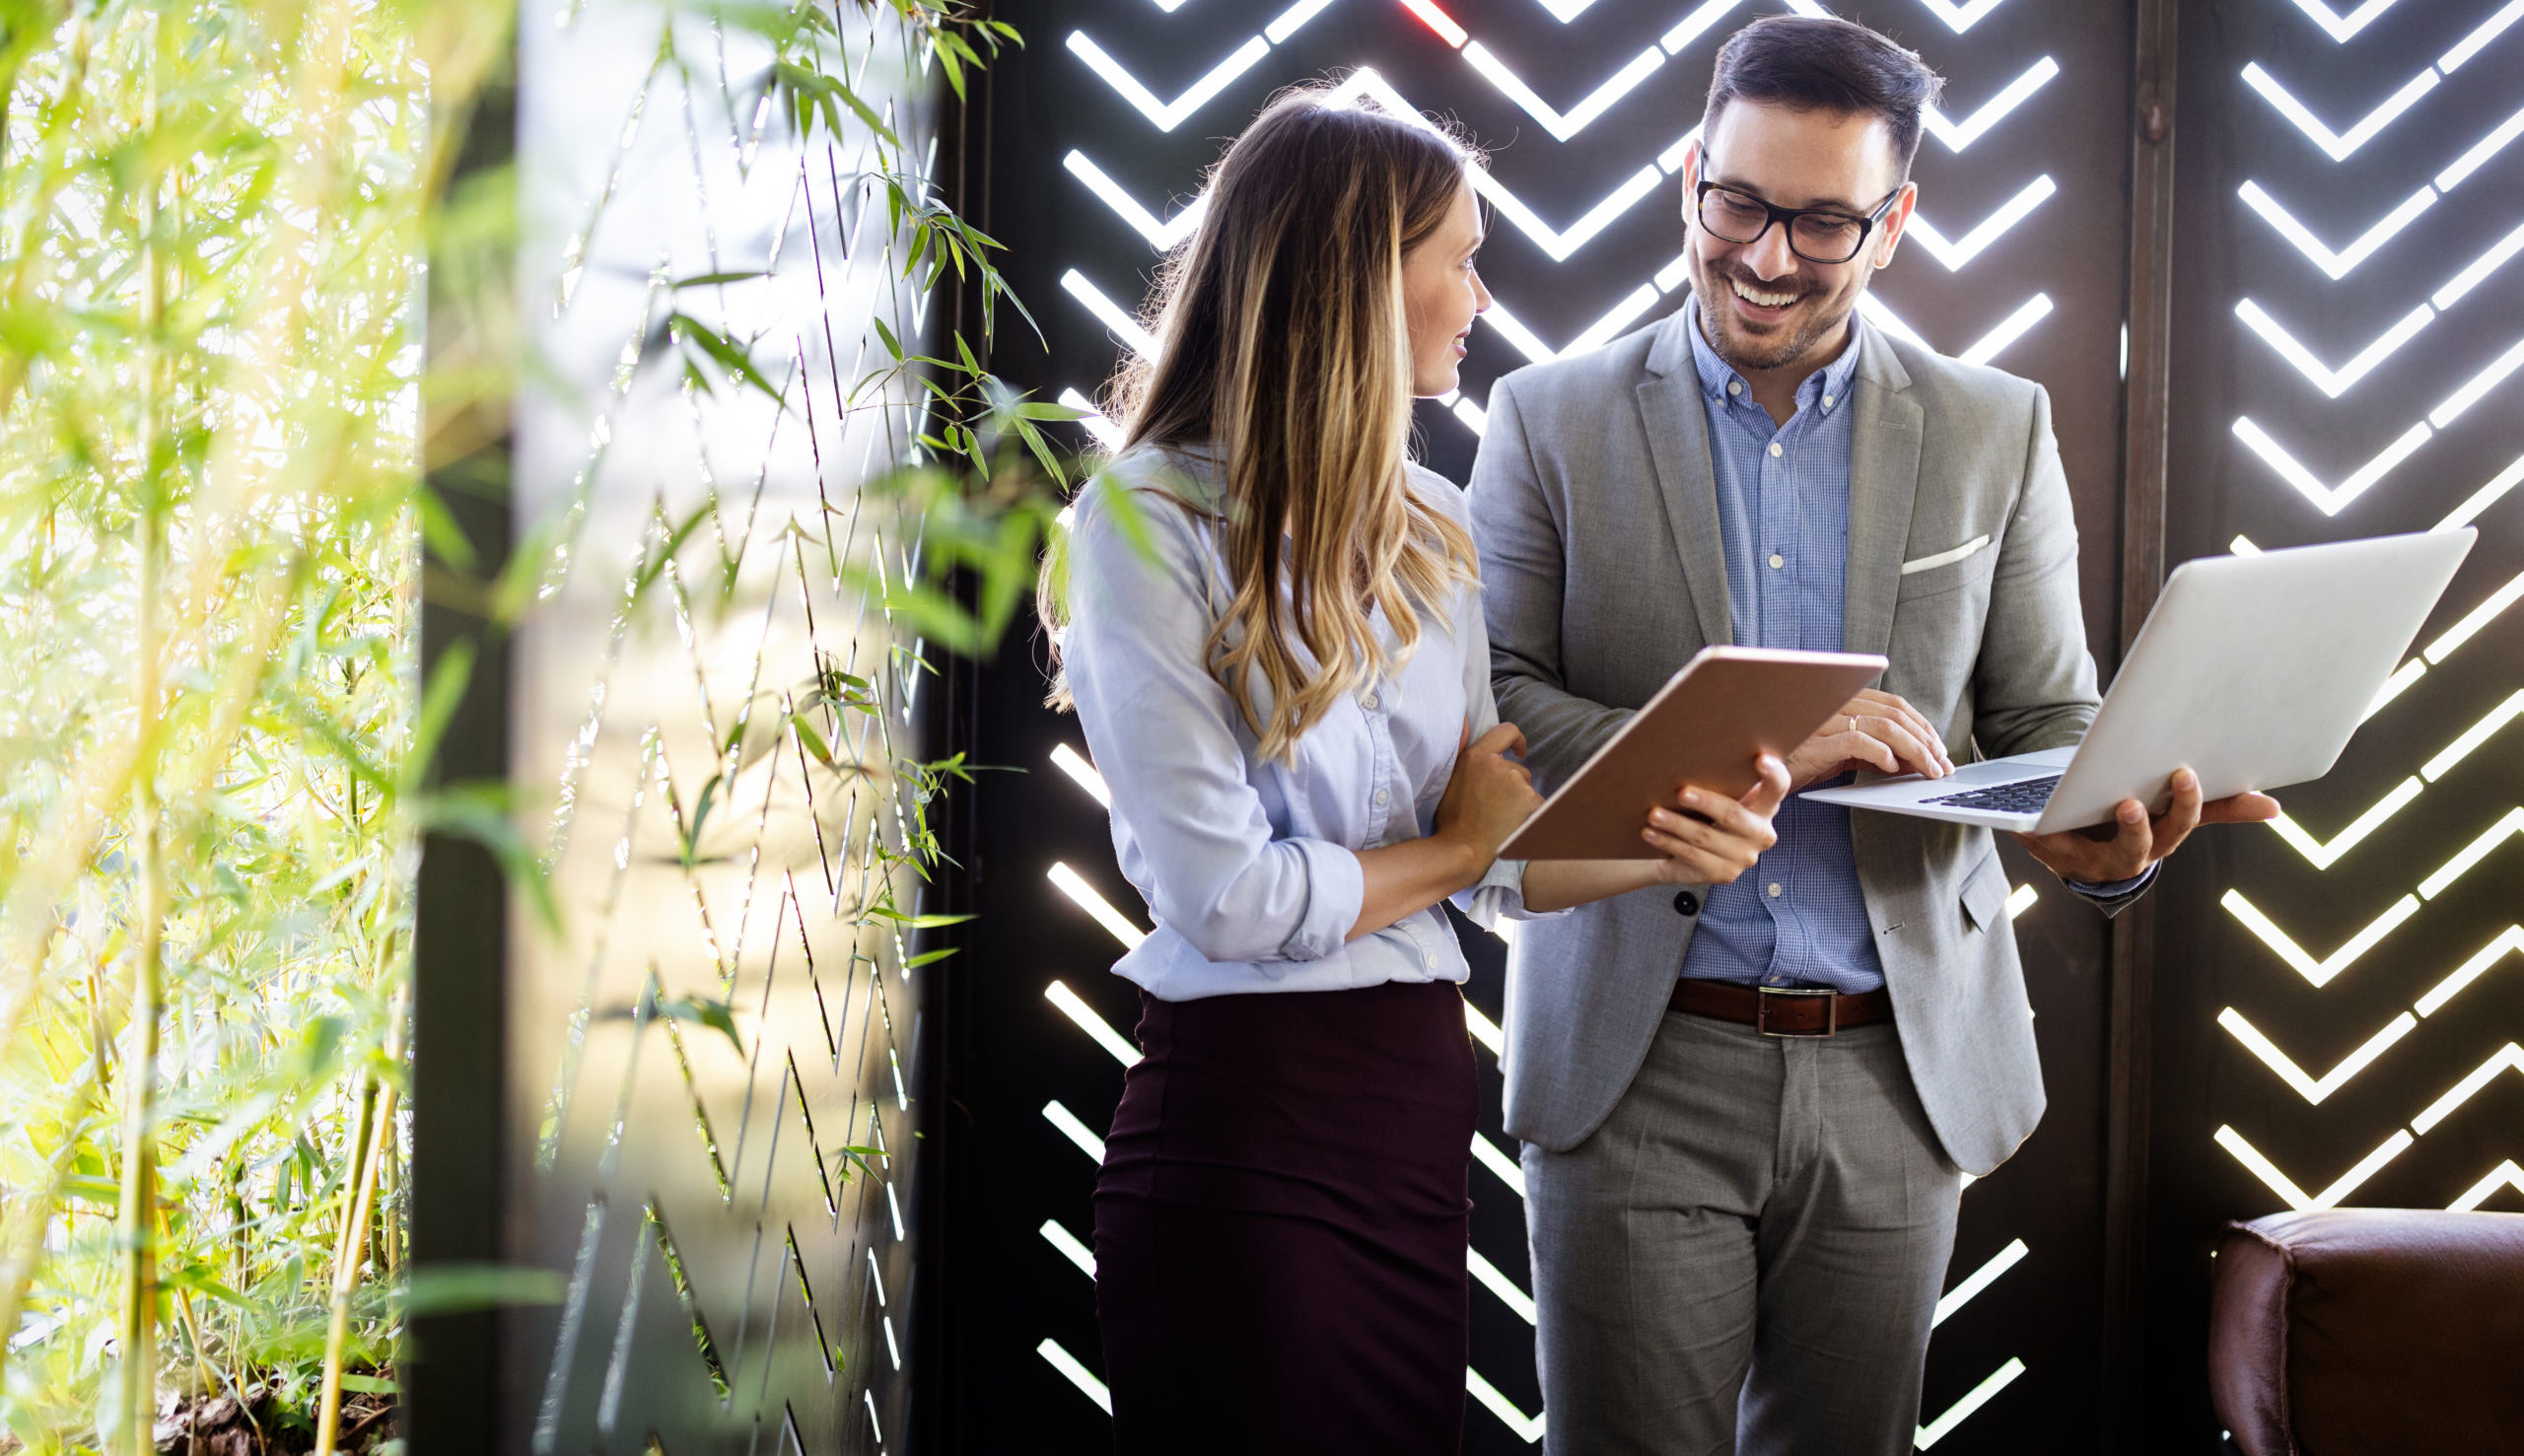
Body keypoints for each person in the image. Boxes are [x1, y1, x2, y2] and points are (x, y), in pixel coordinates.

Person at [1467, 16, 2279, 1454]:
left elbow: (2044, 717)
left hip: (1896, 1071)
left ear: (1894, 221)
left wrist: (2104, 836)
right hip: (1637, 1059)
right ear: (1686, 175)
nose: (1768, 255)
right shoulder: (1548, 420)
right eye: (1739, 203)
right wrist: (1783, 737)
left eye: (1824, 221)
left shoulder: (1994, 428)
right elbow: (1496, 715)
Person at [1046, 90, 1791, 1454]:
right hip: (1248, 1129)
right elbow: (1227, 897)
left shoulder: (1433, 525)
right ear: (1356, 281)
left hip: (1407, 1121)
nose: (1480, 292)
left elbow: (1493, 856)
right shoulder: (1142, 524)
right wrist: (1455, 854)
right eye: (1456, 256)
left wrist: (1682, 833)